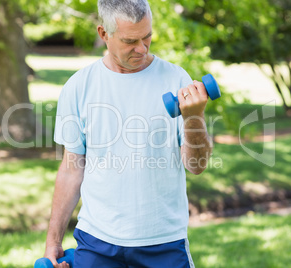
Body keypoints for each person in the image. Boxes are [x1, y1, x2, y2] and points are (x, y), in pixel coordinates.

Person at [44, 0, 212, 267]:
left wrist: (193, 117)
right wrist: (53, 241)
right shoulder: (79, 87)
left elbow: (197, 166)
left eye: (147, 38)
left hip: (163, 242)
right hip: (97, 241)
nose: (142, 49)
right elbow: (71, 169)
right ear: (104, 34)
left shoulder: (177, 79)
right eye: (130, 41)